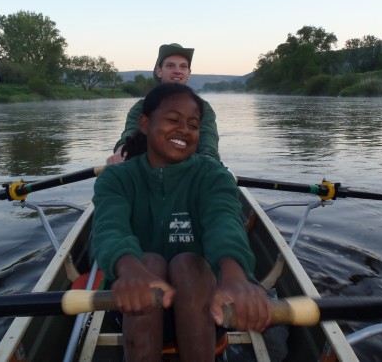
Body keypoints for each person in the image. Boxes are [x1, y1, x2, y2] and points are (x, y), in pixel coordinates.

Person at [91, 83, 272, 361]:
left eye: (193, 124)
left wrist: (235, 276)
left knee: (187, 263)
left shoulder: (212, 176)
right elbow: (108, 229)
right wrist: (128, 270)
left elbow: (224, 224)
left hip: (209, 310)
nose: (185, 130)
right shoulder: (116, 179)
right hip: (134, 305)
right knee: (149, 262)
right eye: (173, 120)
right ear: (144, 123)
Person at [107, 43, 220, 165]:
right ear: (159, 71)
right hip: (148, 172)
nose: (178, 71)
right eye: (171, 66)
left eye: (183, 67)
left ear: (188, 73)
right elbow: (130, 133)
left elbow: (208, 139)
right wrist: (121, 152)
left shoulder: (203, 108)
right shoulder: (140, 107)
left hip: (193, 170)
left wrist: (210, 163)